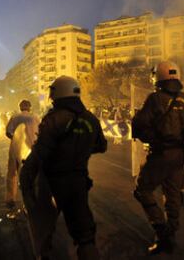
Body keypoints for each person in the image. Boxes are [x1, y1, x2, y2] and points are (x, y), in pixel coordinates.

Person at [20, 76, 107, 260]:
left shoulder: (54, 119)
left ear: (58, 94)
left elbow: (40, 153)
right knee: (84, 235)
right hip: (79, 181)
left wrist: (26, 176)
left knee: (43, 227)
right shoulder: (91, 119)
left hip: (51, 182)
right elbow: (101, 146)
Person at [132, 60, 184, 255]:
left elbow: (138, 125)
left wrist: (152, 136)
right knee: (172, 195)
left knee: (142, 190)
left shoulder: (155, 99)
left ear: (158, 76)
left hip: (161, 154)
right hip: (180, 155)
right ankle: (171, 232)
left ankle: (161, 232)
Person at [5, 100, 40, 208]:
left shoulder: (15, 117)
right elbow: (41, 131)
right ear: (30, 107)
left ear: (20, 107)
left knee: (12, 172)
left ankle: (11, 199)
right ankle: (35, 197)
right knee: (35, 173)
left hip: (16, 148)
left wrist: (16, 140)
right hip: (32, 147)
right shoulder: (35, 117)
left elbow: (8, 132)